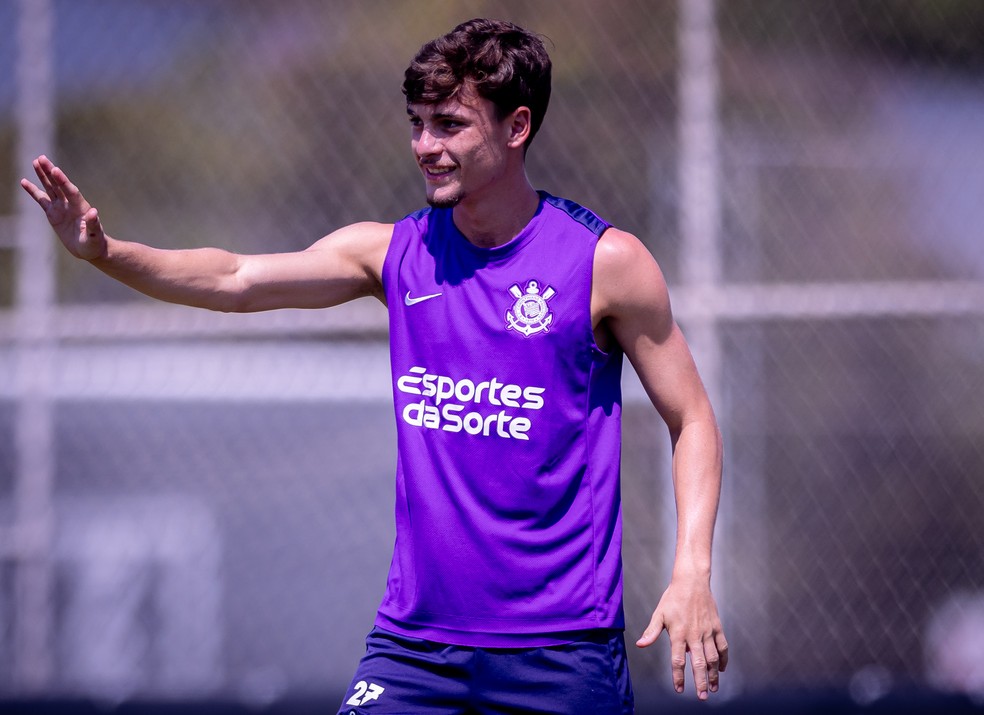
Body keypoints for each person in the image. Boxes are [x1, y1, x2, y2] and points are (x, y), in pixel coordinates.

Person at [22, 17, 727, 715]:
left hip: (562, 651)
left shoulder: (605, 263)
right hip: (413, 648)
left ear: (517, 128)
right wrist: (105, 251)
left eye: (450, 124)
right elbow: (234, 276)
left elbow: (691, 417)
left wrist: (691, 566)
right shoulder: (391, 251)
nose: (426, 145)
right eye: (417, 123)